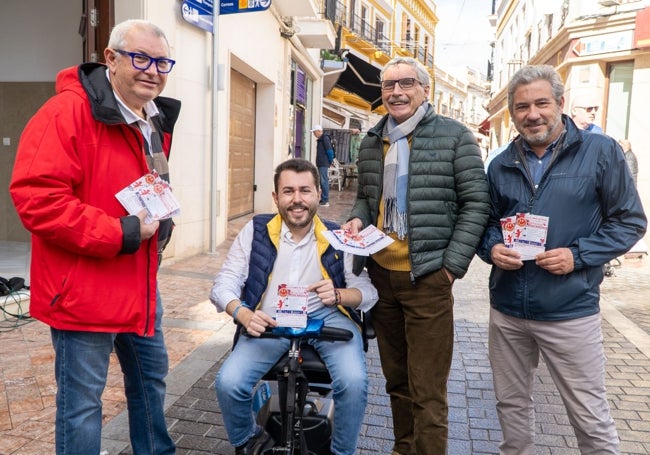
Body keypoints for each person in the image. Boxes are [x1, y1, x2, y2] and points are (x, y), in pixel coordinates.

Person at [9, 20, 181, 454]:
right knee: (83, 405)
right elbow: (37, 200)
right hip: (84, 291)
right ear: (110, 58)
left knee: (150, 384)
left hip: (140, 284)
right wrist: (121, 231)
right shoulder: (64, 113)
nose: (152, 70)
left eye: (162, 62)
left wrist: (161, 222)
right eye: (140, 58)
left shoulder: (154, 117)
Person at [478, 65, 647, 454]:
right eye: (522, 107)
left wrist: (578, 255)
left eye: (541, 103)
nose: (532, 114)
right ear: (512, 112)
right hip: (507, 309)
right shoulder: (500, 163)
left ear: (560, 103)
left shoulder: (600, 152)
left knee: (589, 414)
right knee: (511, 409)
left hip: (569, 309)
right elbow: (488, 223)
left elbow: (629, 222)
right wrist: (491, 248)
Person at [340, 56, 491, 455]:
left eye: (406, 83)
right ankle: (403, 449)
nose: (396, 92)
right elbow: (365, 200)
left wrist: (450, 268)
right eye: (388, 85)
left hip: (428, 280)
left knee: (427, 388)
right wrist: (356, 222)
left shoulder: (455, 136)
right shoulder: (373, 140)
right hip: (381, 279)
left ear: (425, 90)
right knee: (397, 382)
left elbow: (477, 204)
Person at [210, 158, 378, 455]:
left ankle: (341, 453)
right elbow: (223, 284)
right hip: (273, 317)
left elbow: (367, 291)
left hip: (327, 318)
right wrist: (243, 313)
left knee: (353, 383)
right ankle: (249, 439)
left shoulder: (337, 235)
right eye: (288, 191)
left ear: (318, 193)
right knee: (229, 383)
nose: (297, 199)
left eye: (305, 190)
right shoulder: (256, 230)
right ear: (275, 197)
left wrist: (339, 294)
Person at [311, 124, 335, 207]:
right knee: (322, 181)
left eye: (314, 132)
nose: (314, 134)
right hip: (321, 163)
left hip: (323, 163)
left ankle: (325, 200)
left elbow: (329, 151)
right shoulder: (321, 139)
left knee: (324, 181)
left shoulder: (325, 139)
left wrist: (330, 161)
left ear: (318, 131)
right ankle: (323, 199)